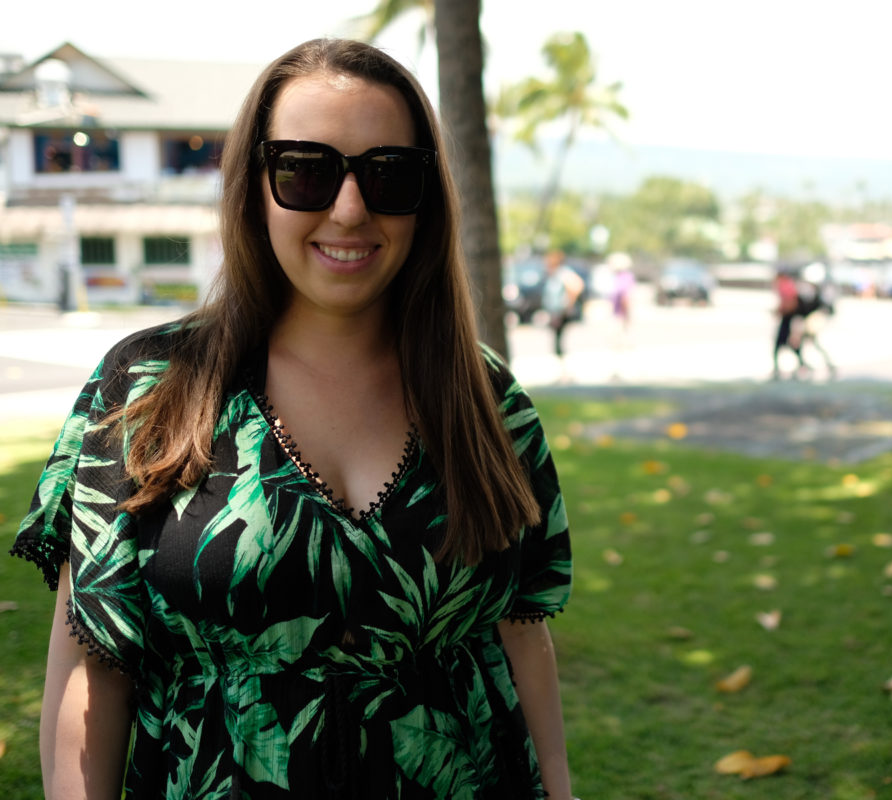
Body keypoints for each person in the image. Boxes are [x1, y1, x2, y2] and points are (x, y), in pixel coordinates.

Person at [11, 39, 575, 800]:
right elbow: (92, 663)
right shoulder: (148, 390)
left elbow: (518, 630)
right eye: (305, 170)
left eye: (389, 174)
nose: (350, 208)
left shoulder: (485, 398)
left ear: (427, 197)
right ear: (254, 186)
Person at [541, 250, 585, 361]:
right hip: (556, 313)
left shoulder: (563, 273)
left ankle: (564, 368)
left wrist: (567, 305)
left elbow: (577, 286)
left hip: (561, 313)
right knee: (557, 341)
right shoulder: (555, 274)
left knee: (560, 342)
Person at [771, 266, 806, 380]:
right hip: (789, 318)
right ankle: (801, 364)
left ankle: (799, 364)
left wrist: (780, 311)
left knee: (783, 343)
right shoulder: (788, 284)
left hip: (788, 318)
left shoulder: (785, 286)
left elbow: (790, 303)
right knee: (788, 343)